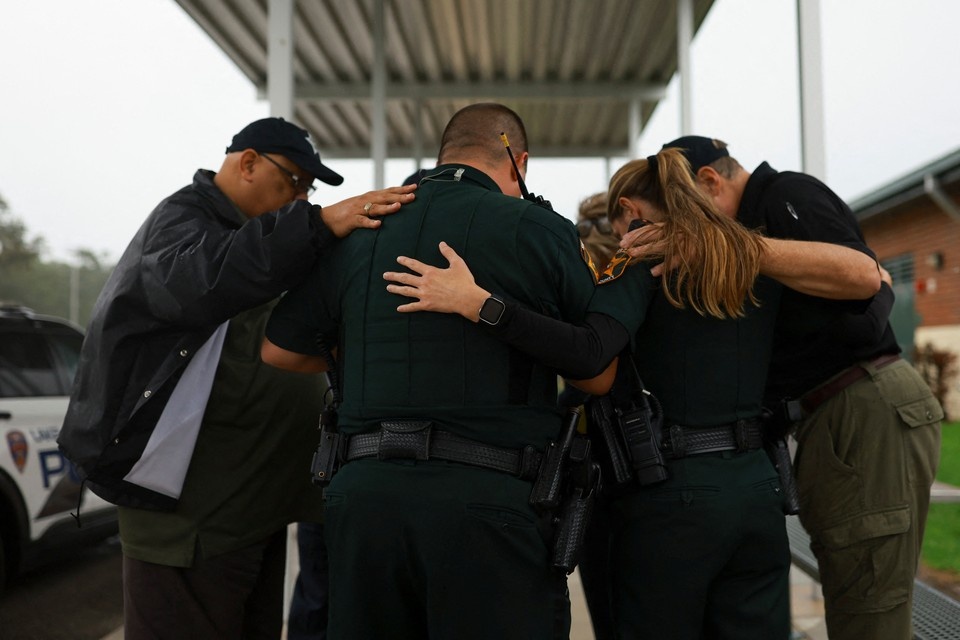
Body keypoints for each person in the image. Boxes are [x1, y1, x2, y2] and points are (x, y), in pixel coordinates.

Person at [383, 148, 883, 639]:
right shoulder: (756, 263)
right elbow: (868, 284)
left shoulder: (641, 266)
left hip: (669, 496)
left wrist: (485, 306)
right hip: (757, 489)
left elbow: (590, 358)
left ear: (628, 212)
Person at [57, 116, 416, 640]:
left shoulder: (261, 240)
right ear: (248, 162)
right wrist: (318, 223)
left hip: (253, 511)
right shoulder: (184, 223)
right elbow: (201, 280)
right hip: (191, 522)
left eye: (308, 190)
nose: (300, 198)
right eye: (293, 181)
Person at [260, 103, 595, 640]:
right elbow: (595, 365)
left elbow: (277, 350)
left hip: (366, 503)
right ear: (518, 163)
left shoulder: (365, 224)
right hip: (492, 504)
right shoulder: (539, 227)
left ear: (443, 156)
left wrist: (362, 349)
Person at [659, 136, 942, 640]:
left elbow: (865, 276)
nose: (691, 231)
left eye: (687, 214)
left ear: (709, 181)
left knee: (869, 612)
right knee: (853, 591)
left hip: (861, 403)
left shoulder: (785, 193)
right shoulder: (759, 214)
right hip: (834, 415)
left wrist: (729, 245)